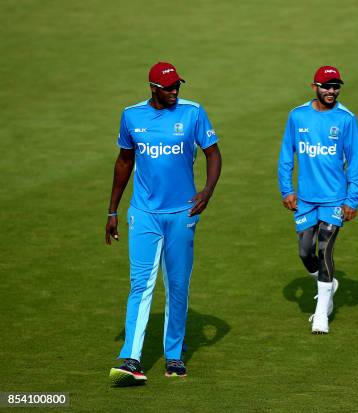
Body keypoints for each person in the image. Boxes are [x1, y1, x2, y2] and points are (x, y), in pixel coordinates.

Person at [105, 62, 222, 386]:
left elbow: (213, 154)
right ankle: (131, 357)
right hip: (143, 214)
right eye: (168, 88)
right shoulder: (132, 116)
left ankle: (174, 356)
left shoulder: (193, 113)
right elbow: (124, 161)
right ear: (153, 88)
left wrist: (207, 193)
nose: (174, 93)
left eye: (177, 87)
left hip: (182, 215)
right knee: (140, 285)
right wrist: (112, 210)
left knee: (177, 286)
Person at [278, 66, 358, 334]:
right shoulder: (297, 116)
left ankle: (320, 315)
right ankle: (328, 285)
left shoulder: (347, 119)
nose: (331, 91)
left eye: (336, 86)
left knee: (325, 249)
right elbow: (285, 156)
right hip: (305, 199)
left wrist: (353, 199)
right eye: (326, 86)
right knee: (305, 251)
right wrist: (286, 190)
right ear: (314, 85)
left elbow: (356, 162)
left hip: (334, 199)